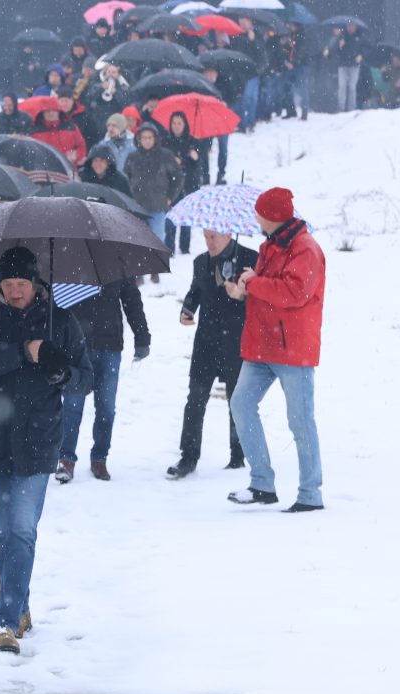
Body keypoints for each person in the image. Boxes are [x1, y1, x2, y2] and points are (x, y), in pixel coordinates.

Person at [0, 248, 91, 653]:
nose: (16, 291)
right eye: (8, 283)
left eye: (22, 283)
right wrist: (23, 351)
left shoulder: (61, 321)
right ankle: (20, 604)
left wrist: (61, 371)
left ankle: (5, 621)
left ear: (35, 283)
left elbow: (85, 379)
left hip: (38, 439)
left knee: (21, 530)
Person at [223, 188, 326, 512]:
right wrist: (244, 288)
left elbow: (294, 292)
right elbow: (269, 289)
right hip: (261, 345)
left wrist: (254, 283)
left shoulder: (306, 249)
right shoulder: (270, 245)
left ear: (272, 216)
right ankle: (262, 484)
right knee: (241, 404)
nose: (255, 217)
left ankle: (310, 494)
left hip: (293, 349)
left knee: (300, 421)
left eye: (259, 213)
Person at [168, 229, 258, 479]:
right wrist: (187, 310)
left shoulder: (250, 259)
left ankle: (238, 456)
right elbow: (196, 290)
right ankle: (188, 457)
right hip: (206, 342)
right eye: (206, 236)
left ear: (228, 234)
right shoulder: (200, 261)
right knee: (195, 399)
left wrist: (242, 294)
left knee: (236, 400)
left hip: (236, 342)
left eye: (214, 237)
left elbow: (263, 298)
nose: (209, 242)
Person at [54, 277, 149, 483]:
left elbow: (131, 299)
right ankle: (66, 459)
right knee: (71, 407)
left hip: (109, 346)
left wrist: (142, 336)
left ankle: (100, 458)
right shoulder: (68, 262)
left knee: (106, 408)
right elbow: (54, 303)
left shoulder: (117, 263)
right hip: (75, 347)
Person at [125, 124, 182, 258]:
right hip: (137, 206)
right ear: (139, 139)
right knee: (138, 241)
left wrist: (170, 197)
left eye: (150, 137)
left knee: (157, 241)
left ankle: (156, 265)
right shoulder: (132, 157)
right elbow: (125, 179)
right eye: (144, 138)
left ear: (155, 139)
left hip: (158, 205)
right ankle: (139, 267)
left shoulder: (166, 156)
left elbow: (178, 178)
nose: (147, 141)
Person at [161, 112, 209, 255]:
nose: (176, 126)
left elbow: (200, 165)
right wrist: (172, 162)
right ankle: (169, 246)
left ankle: (185, 246)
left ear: (184, 125)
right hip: (170, 184)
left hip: (188, 183)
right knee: (171, 216)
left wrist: (195, 158)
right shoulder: (165, 141)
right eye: (174, 123)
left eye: (179, 123)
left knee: (186, 217)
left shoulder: (193, 142)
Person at [323, 23, 366, 112]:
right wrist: (338, 46)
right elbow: (334, 50)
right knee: (342, 86)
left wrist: (361, 55)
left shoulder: (360, 37)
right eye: (349, 26)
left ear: (356, 27)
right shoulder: (342, 37)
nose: (350, 28)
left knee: (352, 87)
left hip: (354, 65)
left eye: (352, 26)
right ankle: (341, 107)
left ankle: (351, 108)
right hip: (342, 65)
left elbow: (366, 48)